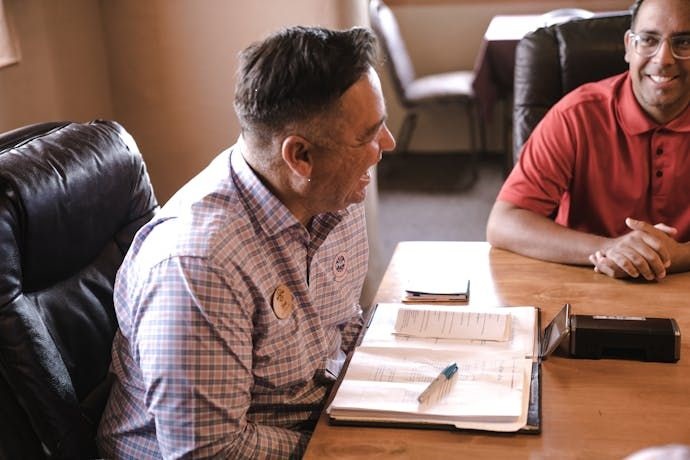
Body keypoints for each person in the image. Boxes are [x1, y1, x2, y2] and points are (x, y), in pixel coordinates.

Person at [97, 25, 395, 459]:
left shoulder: (334, 194)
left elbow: (342, 327)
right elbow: (208, 451)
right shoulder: (198, 265)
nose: (387, 144)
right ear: (301, 157)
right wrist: (347, 448)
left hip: (309, 420)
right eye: (368, 136)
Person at [487, 0, 690, 281]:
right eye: (648, 40)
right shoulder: (575, 115)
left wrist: (679, 256)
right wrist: (609, 248)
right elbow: (504, 222)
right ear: (629, 46)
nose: (664, 59)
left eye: (684, 43)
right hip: (584, 283)